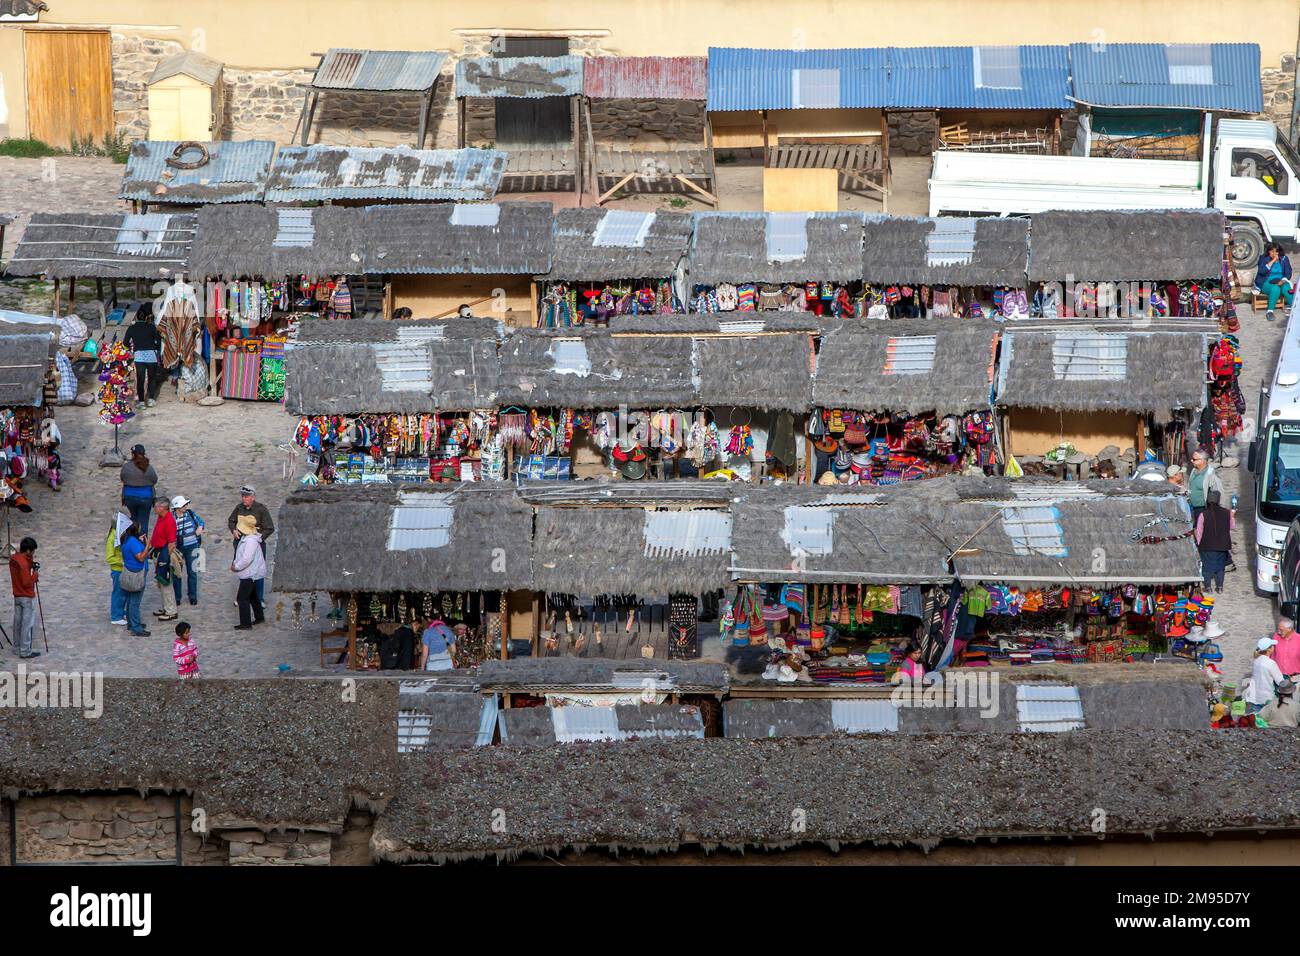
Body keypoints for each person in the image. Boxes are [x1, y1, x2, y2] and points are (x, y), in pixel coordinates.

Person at [228, 485, 273, 604]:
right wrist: (234, 530)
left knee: (257, 571)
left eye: (246, 496)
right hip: (240, 542)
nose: (244, 498)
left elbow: (269, 528)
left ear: (253, 497)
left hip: (256, 544)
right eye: (242, 496)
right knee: (243, 569)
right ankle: (244, 596)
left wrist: (258, 538)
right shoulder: (239, 508)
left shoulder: (261, 509)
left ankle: (259, 598)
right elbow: (231, 521)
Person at [123, 303, 164, 406]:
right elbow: (158, 341)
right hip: (151, 356)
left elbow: (125, 343)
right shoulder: (151, 327)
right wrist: (156, 350)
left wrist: (131, 351)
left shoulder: (131, 328)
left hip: (139, 356)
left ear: (136, 317)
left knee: (140, 379)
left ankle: (141, 402)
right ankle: (150, 399)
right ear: (146, 317)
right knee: (152, 378)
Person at [1195, 489, 1234, 593]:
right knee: (1220, 567)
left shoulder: (1203, 514)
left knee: (1207, 567)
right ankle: (1220, 587)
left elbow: (1199, 531)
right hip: (1222, 545)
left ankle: (1208, 587)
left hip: (1207, 546)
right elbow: (1232, 526)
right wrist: (1232, 516)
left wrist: (1199, 544)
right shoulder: (1227, 512)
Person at [231, 515, 266, 630]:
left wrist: (236, 566)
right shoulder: (250, 538)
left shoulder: (250, 541)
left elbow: (247, 559)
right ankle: (259, 617)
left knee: (242, 598)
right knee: (253, 596)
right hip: (253, 572)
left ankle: (245, 623)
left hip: (250, 573)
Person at [171, 495, 204, 606]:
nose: (186, 506)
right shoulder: (171, 518)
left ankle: (192, 596)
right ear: (177, 507)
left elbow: (201, 522)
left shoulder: (190, 513)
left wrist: (200, 527)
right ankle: (177, 597)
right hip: (177, 549)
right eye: (184, 505)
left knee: (192, 572)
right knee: (177, 573)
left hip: (192, 546)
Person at [9, 537, 38, 659]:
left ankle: (16, 647)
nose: (33, 554)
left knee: (17, 623)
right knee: (27, 624)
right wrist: (35, 575)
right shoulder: (23, 564)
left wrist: (30, 562)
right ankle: (25, 651)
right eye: (32, 552)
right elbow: (27, 582)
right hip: (26, 596)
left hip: (17, 596)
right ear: (27, 550)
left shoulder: (14, 559)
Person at [149, 497, 178, 622]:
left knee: (166, 583)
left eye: (156, 506)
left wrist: (164, 560)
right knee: (161, 583)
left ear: (163, 507)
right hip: (157, 552)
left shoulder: (169, 521)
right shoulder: (161, 517)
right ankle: (166, 607)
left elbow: (171, 543)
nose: (154, 508)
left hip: (163, 555)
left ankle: (171, 611)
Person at [120, 444, 158, 534]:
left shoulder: (126, 467)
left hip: (129, 497)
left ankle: (133, 540)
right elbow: (154, 480)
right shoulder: (148, 468)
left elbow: (123, 478)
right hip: (146, 498)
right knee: (143, 522)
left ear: (133, 454)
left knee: (133, 518)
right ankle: (142, 543)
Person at [120, 523, 150, 636]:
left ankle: (131, 623)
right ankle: (136, 627)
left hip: (129, 572)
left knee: (130, 599)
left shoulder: (128, 539)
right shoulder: (132, 542)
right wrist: (147, 545)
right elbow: (141, 557)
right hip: (137, 574)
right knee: (135, 602)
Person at [1255, 242, 1294, 322]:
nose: (1275, 253)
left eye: (1276, 251)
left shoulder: (1284, 259)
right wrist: (1272, 261)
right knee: (1275, 288)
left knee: (1286, 288)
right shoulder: (1263, 258)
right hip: (1265, 282)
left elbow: (1288, 272)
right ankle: (1270, 311)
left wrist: (1283, 280)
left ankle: (1295, 308)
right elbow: (1261, 271)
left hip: (1280, 281)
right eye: (1272, 251)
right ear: (1268, 251)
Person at [1246, 637, 1286, 715]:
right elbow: (1280, 682)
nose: (1274, 647)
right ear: (1269, 650)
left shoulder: (1256, 660)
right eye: (1273, 646)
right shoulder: (1270, 663)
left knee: (1258, 722)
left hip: (1255, 697)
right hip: (1266, 698)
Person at [106, 511, 130, 626]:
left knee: (123, 593)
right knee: (118, 593)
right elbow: (110, 557)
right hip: (117, 570)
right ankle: (116, 616)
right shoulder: (112, 538)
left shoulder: (119, 534)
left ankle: (121, 612)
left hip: (122, 569)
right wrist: (122, 562)